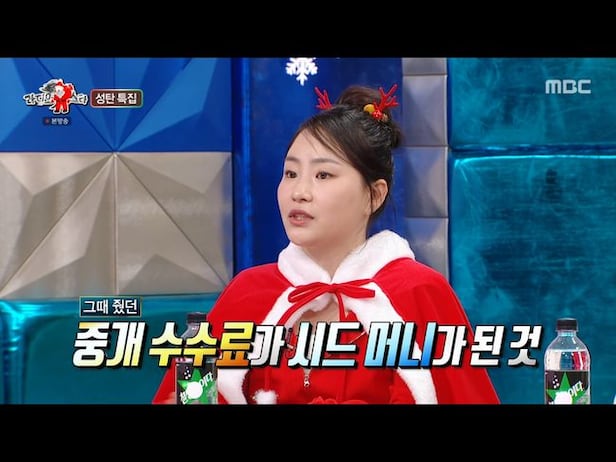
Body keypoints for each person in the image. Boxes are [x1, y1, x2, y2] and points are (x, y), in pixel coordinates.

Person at [152, 83, 500, 404]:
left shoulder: (419, 292)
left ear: (374, 195)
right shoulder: (247, 293)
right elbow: (184, 396)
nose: (299, 192)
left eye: (323, 175)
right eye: (291, 173)